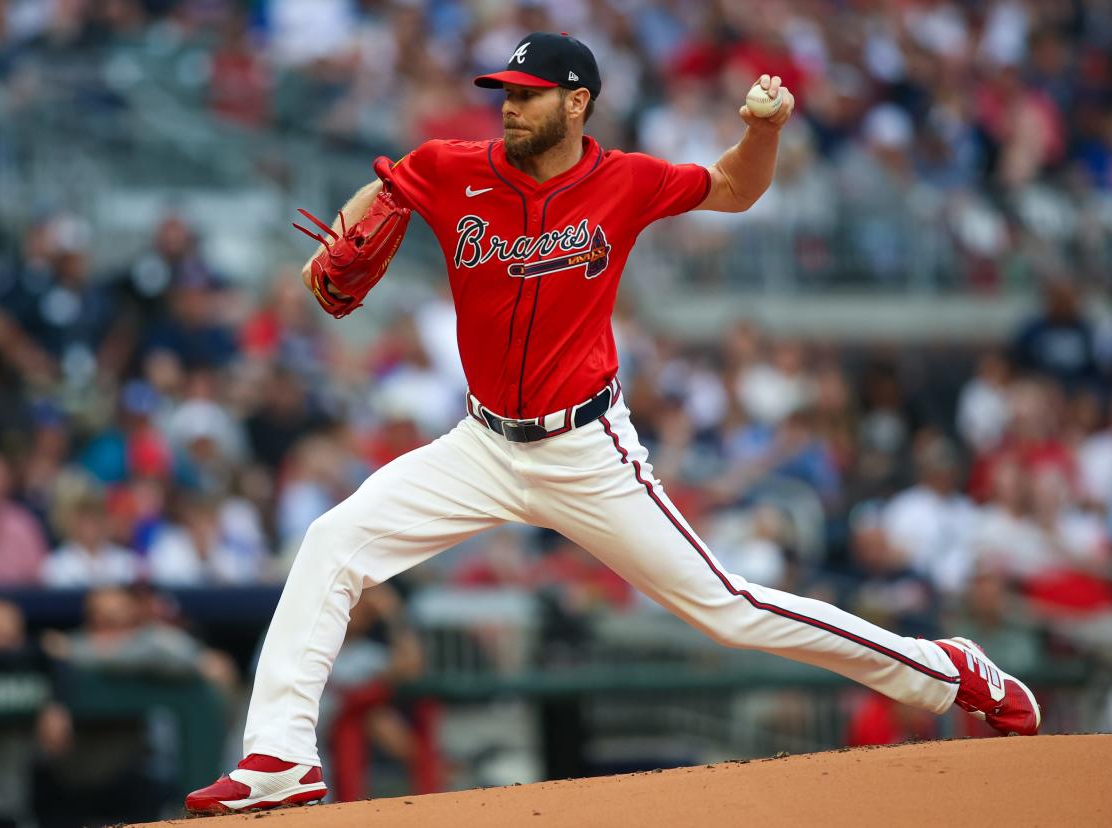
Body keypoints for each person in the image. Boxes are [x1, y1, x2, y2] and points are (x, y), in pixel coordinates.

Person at [187, 32, 1041, 816]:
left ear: (576, 102)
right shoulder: (457, 167)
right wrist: (339, 237)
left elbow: (737, 187)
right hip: (480, 444)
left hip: (585, 448)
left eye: (526, 92)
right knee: (333, 542)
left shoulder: (625, 180)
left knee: (727, 609)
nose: (509, 105)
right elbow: (389, 181)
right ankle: (280, 756)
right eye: (504, 92)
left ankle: (947, 668)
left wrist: (764, 130)